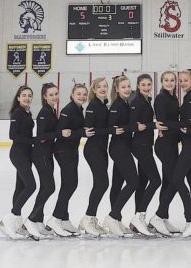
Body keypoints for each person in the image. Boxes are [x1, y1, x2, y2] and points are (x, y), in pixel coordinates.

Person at [150, 70, 191, 238]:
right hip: (165, 145)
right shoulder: (162, 98)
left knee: (172, 181)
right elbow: (163, 122)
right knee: (175, 180)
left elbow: (181, 123)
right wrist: (184, 124)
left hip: (176, 144)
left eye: (174, 80)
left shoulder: (179, 98)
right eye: (167, 80)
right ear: (162, 82)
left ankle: (163, 217)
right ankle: (187, 217)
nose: (172, 82)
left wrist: (185, 125)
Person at [47, 84, 94, 237]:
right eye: (79, 94)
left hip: (72, 150)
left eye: (84, 94)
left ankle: (64, 218)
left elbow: (76, 131)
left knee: (70, 184)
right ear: (72, 95)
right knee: (70, 184)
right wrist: (80, 132)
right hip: (63, 151)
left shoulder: (79, 109)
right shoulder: (68, 110)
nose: (82, 96)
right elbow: (61, 132)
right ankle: (55, 218)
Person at [0, 85, 37, 239]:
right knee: (31, 185)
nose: (27, 98)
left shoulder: (27, 113)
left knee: (20, 187)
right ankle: (11, 217)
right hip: (18, 154)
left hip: (26, 154)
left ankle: (16, 221)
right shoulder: (18, 113)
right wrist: (32, 140)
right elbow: (12, 135)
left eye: (29, 95)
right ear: (18, 98)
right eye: (24, 95)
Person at [79, 77, 117, 236]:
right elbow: (89, 130)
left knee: (100, 184)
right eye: (99, 87)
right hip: (93, 149)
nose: (102, 88)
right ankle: (88, 217)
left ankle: (91, 217)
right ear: (94, 90)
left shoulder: (104, 105)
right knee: (102, 183)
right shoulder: (93, 106)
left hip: (102, 149)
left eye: (105, 86)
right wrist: (111, 130)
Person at [103, 75, 140, 236]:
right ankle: (112, 216)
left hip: (123, 146)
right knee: (133, 181)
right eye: (123, 87)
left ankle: (116, 220)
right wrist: (133, 127)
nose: (127, 89)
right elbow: (111, 126)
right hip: (119, 148)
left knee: (117, 184)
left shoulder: (125, 104)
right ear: (117, 89)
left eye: (128, 86)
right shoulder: (117, 105)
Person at [27, 83, 63, 237]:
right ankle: (31, 219)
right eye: (51, 95)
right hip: (40, 154)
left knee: (45, 187)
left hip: (47, 153)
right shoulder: (44, 113)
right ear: (44, 96)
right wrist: (60, 133)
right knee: (49, 187)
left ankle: (38, 221)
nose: (55, 97)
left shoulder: (51, 110)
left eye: (56, 94)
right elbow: (41, 136)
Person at [129, 74, 161, 236]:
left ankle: (137, 221)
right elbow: (133, 124)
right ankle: (139, 215)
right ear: (138, 85)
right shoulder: (136, 101)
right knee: (156, 180)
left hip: (146, 144)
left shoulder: (146, 100)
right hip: (140, 145)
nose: (147, 87)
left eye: (149, 84)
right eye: (143, 84)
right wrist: (153, 125)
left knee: (143, 182)